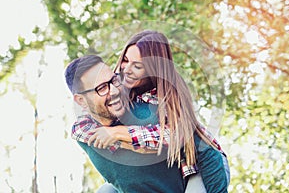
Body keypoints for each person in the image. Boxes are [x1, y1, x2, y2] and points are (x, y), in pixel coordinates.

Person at [72, 31, 229, 192]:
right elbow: (84, 128)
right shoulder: (117, 86)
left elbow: (174, 136)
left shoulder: (165, 96)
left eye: (138, 66)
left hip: (203, 162)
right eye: (125, 60)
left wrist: (118, 134)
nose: (127, 70)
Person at [65, 55, 191, 192]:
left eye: (114, 80)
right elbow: (89, 136)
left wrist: (118, 134)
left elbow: (179, 136)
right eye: (102, 88)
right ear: (81, 101)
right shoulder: (83, 129)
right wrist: (136, 144)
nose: (114, 91)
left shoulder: (146, 107)